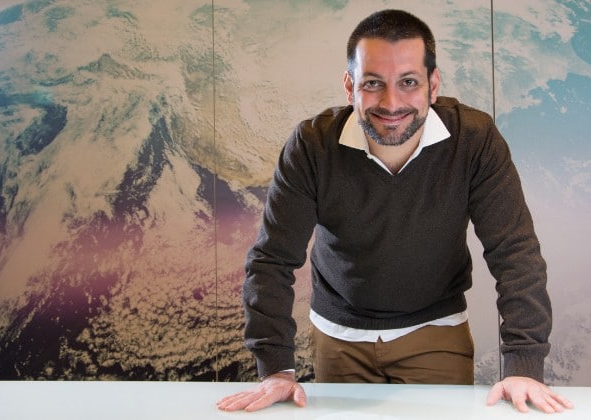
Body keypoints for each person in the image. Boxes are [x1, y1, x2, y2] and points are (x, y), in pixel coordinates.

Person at [217, 9, 573, 414]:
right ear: (350, 86)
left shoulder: (474, 140)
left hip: (436, 330)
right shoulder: (311, 146)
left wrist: (524, 363)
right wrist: (275, 369)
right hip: (338, 336)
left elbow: (515, 253)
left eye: (408, 82)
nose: (391, 103)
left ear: (433, 85)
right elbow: (272, 260)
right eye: (373, 83)